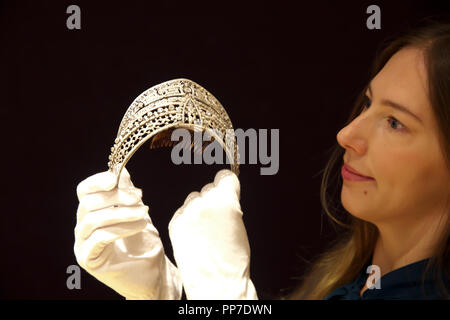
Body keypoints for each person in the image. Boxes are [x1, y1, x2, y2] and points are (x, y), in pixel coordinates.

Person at [74, 19, 450, 300]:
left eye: (395, 122)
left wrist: (223, 294)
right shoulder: (348, 279)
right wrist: (164, 292)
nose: (347, 135)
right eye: (368, 103)